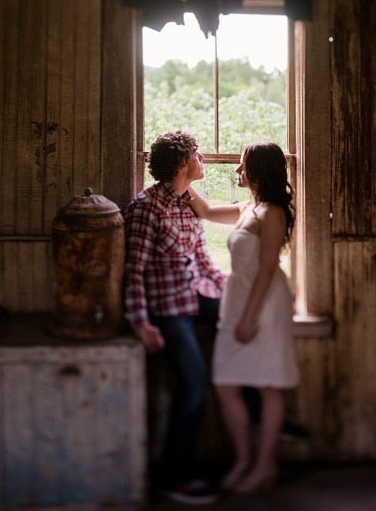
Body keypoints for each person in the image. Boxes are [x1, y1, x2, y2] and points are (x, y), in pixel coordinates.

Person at [189, 142, 299, 494]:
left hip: (264, 303)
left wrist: (249, 317)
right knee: (225, 382)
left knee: (267, 385)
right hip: (239, 299)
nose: (237, 171)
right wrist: (178, 174)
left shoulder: (273, 212)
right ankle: (243, 460)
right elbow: (204, 210)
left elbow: (268, 269)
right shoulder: (247, 207)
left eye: (242, 166)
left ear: (259, 170)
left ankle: (264, 466)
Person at [123, 130, 225, 505]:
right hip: (167, 311)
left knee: (249, 321)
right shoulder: (146, 207)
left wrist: (234, 292)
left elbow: (203, 262)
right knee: (194, 386)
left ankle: (262, 411)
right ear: (184, 164)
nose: (203, 160)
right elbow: (133, 270)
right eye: (197, 155)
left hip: (196, 296)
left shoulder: (187, 204)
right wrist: (140, 322)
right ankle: (174, 475)